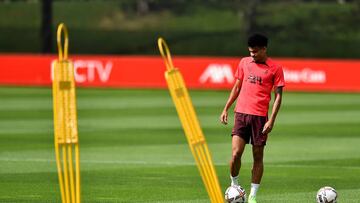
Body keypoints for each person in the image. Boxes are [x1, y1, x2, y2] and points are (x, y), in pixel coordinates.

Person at [220, 33, 285, 203]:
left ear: (264, 49)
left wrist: (272, 120)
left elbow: (278, 96)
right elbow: (237, 86)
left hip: (260, 118)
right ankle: (234, 186)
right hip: (241, 114)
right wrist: (226, 108)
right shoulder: (243, 62)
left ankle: (253, 196)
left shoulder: (275, 68)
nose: (252, 55)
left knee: (257, 157)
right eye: (250, 52)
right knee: (236, 154)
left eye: (255, 52)